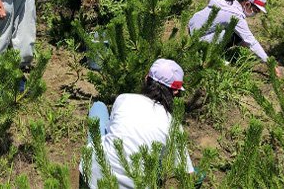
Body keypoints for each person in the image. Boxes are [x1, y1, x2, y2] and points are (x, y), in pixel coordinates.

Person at [80, 58, 197, 188]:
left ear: (147, 79)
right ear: (176, 92)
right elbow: (189, 175)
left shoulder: (124, 99)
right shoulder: (173, 126)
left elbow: (112, 131)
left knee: (99, 107)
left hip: (94, 177)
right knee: (157, 155)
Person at [188, 0, 282, 77]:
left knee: (236, 35)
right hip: (200, 38)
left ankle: (208, 51)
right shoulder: (235, 14)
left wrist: (250, 50)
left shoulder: (225, 3)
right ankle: (210, 56)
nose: (256, 13)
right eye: (256, 10)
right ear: (247, 4)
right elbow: (251, 41)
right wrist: (269, 63)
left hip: (192, 29)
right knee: (235, 35)